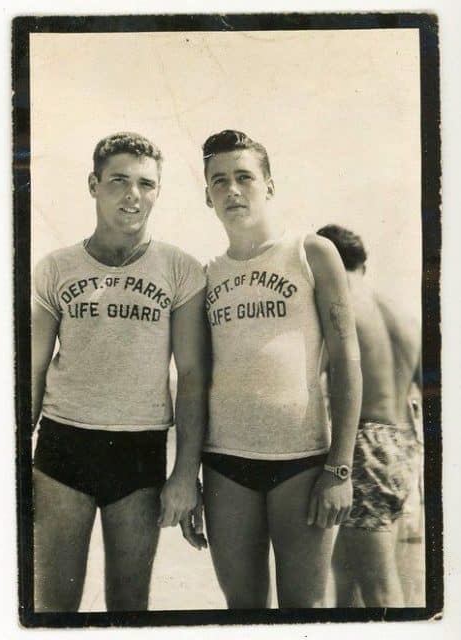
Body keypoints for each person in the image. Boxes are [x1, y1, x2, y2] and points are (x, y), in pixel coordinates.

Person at [32, 132, 208, 612]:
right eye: (119, 181)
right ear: (94, 184)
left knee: (129, 605)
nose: (134, 195)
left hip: (139, 450)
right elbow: (31, 369)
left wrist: (185, 473)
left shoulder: (181, 269)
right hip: (62, 445)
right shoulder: (54, 268)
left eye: (146, 184)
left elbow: (191, 375)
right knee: (53, 603)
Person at [200, 130, 362, 608]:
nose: (232, 190)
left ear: (269, 185)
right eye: (219, 181)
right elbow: (196, 375)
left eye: (244, 177)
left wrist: (340, 467)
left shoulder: (311, 252)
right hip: (225, 464)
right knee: (243, 613)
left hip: (304, 463)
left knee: (304, 612)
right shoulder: (205, 274)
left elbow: (349, 363)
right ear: (206, 195)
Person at [317, 224, 422, 607]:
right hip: (402, 444)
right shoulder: (403, 315)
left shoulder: (340, 308)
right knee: (347, 577)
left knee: (379, 587)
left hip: (361, 445)